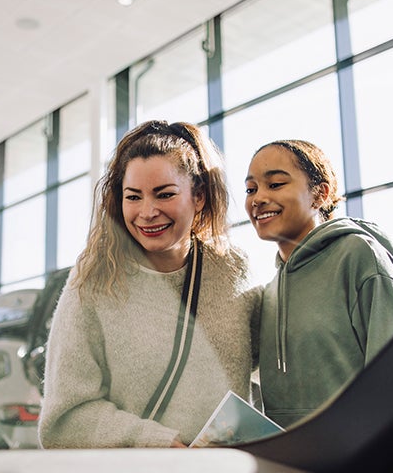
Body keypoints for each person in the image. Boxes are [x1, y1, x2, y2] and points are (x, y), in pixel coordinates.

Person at [38, 120, 260, 448]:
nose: (147, 212)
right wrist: (160, 444)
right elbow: (64, 420)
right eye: (133, 197)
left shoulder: (233, 269)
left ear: (198, 196)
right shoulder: (95, 279)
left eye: (164, 194)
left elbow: (263, 373)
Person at [245, 140, 393, 429]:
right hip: (288, 462)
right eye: (251, 189)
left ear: (319, 194)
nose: (258, 198)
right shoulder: (270, 293)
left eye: (274, 184)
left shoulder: (359, 255)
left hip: (359, 460)